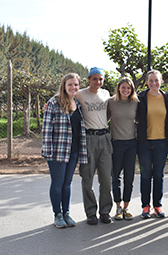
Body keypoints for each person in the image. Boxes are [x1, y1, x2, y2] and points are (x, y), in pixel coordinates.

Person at [42, 73, 88, 228]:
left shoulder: (78, 104)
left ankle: (66, 213)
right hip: (58, 151)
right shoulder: (53, 103)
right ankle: (58, 215)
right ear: (64, 85)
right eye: (70, 84)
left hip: (74, 151)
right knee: (57, 183)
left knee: (67, 183)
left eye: (76, 85)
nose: (73, 87)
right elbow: (46, 129)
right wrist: (48, 152)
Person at [76, 67, 113, 225]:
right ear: (89, 79)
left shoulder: (105, 94)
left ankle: (105, 212)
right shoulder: (80, 94)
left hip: (104, 138)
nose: (98, 82)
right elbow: (64, 98)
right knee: (87, 178)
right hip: (88, 139)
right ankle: (91, 212)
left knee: (106, 179)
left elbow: (109, 113)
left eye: (101, 79)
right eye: (95, 79)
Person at [137, 69, 168, 219]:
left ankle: (157, 205)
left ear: (161, 82)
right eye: (151, 80)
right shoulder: (141, 98)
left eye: (156, 80)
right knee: (145, 175)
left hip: (161, 143)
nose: (153, 83)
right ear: (147, 82)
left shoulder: (167, 98)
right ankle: (145, 206)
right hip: (144, 143)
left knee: (158, 175)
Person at [107, 77, 139, 221]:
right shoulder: (111, 102)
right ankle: (118, 207)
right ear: (119, 88)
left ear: (132, 89)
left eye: (129, 88)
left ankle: (126, 207)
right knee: (116, 177)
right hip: (116, 143)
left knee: (129, 177)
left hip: (131, 143)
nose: (126, 90)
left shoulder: (135, 103)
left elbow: (141, 120)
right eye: (123, 87)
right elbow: (103, 118)